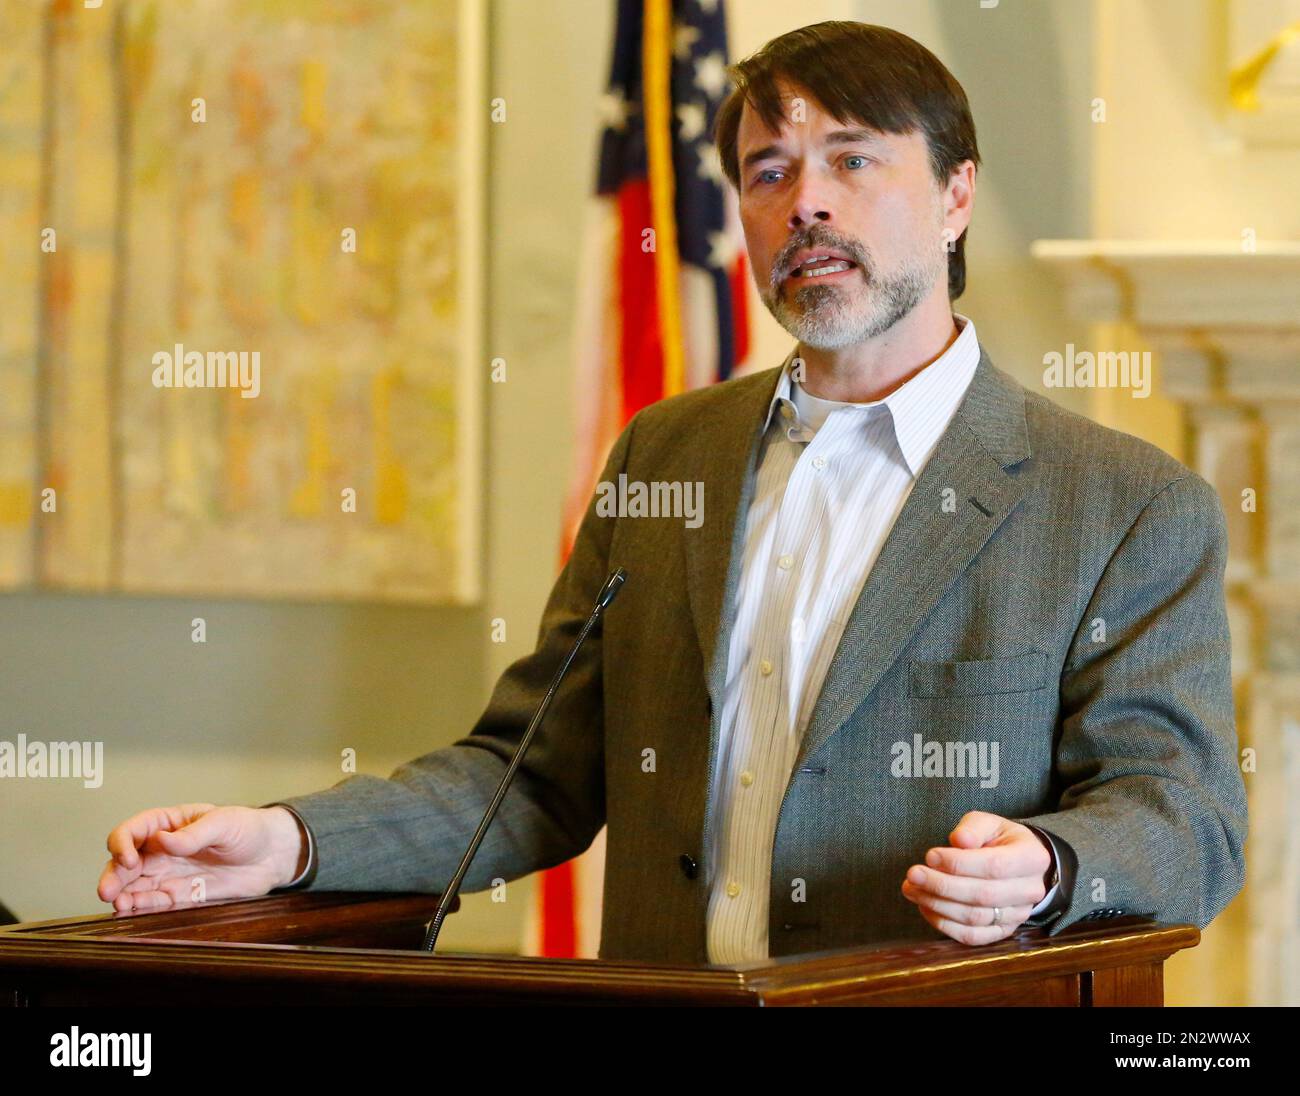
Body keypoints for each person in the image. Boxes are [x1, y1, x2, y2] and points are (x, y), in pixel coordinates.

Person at [98, 21, 1247, 965]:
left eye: (853, 158)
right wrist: (285, 841)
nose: (806, 203)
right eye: (768, 171)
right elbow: (533, 770)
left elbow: (1184, 815)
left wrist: (1048, 866)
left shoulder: (1121, 503)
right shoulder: (666, 455)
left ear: (954, 195)